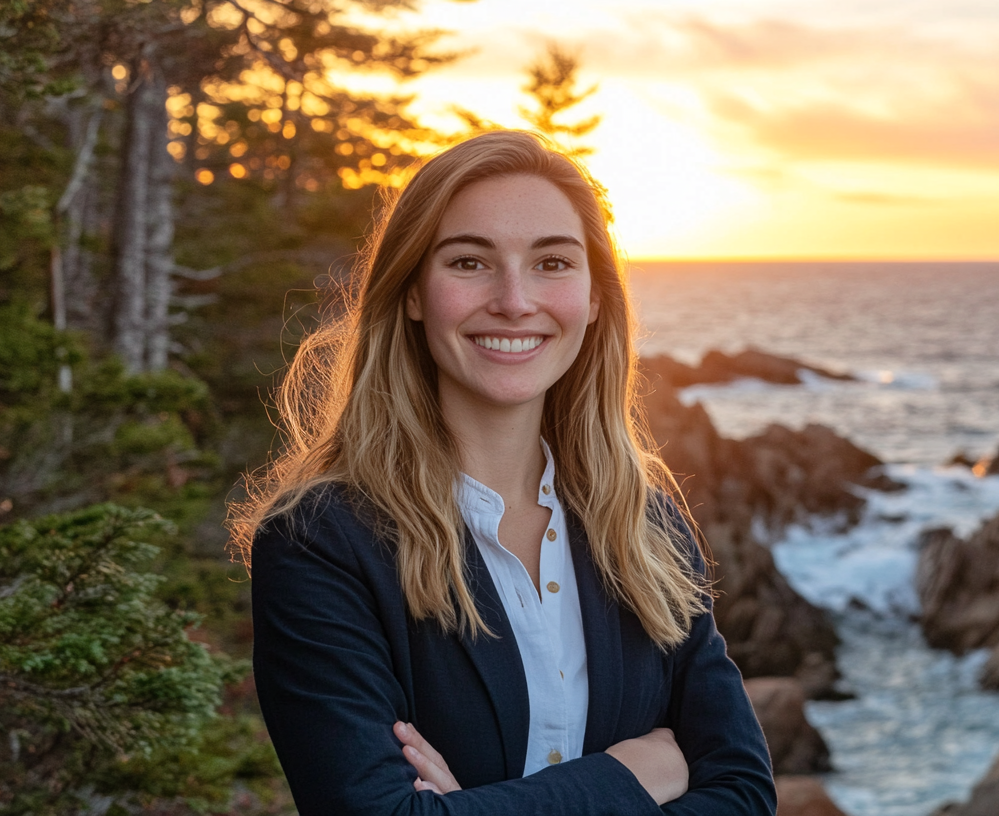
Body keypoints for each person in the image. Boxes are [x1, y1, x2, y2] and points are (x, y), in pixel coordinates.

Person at [230, 130, 775, 815]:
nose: (516, 300)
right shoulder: (322, 543)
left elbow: (746, 795)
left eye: (552, 262)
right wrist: (631, 776)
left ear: (596, 297)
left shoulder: (646, 526)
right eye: (469, 262)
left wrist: (479, 807)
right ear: (413, 293)